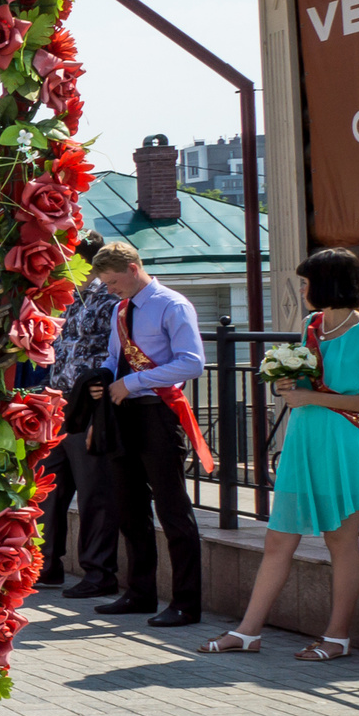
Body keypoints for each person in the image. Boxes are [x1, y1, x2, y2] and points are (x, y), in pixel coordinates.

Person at [201, 248, 359, 662]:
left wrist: (311, 396)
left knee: (340, 543)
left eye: (307, 282)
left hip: (344, 447)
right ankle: (248, 631)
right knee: (277, 540)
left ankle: (338, 637)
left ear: (328, 283)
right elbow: (303, 382)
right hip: (303, 443)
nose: (302, 290)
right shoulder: (312, 324)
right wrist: (286, 384)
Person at [87, 241, 207, 626]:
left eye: (112, 281)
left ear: (134, 267)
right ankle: (140, 594)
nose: (109, 290)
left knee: (173, 510)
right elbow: (113, 358)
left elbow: (192, 363)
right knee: (130, 508)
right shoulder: (121, 309)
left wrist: (134, 382)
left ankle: (187, 603)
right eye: (105, 284)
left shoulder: (172, 305)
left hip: (159, 414)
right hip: (125, 414)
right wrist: (104, 378)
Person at [39, 232, 122, 596]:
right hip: (59, 401)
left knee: (94, 491)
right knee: (48, 488)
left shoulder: (112, 299)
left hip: (89, 402)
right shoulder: (72, 297)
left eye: (66, 259)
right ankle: (45, 566)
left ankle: (98, 573)